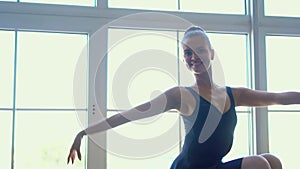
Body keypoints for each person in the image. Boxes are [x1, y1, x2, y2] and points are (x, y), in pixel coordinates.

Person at [67, 26, 300, 169]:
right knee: (258, 164)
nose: (193, 56)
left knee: (273, 161)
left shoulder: (233, 94)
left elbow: (279, 97)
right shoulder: (181, 95)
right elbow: (131, 115)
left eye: (199, 50)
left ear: (212, 53)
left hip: (214, 166)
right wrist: (83, 132)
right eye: (187, 52)